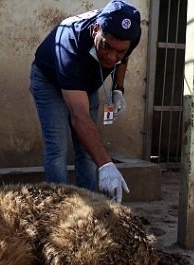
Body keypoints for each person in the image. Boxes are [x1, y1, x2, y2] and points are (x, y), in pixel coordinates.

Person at [30, 0, 141, 203]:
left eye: (120, 50)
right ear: (97, 29)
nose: (111, 56)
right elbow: (79, 116)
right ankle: (61, 209)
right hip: (49, 81)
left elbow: (123, 59)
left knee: (88, 153)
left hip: (86, 82)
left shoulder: (130, 34)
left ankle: (90, 206)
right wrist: (107, 165)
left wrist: (118, 89)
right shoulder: (70, 43)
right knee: (57, 149)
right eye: (107, 46)